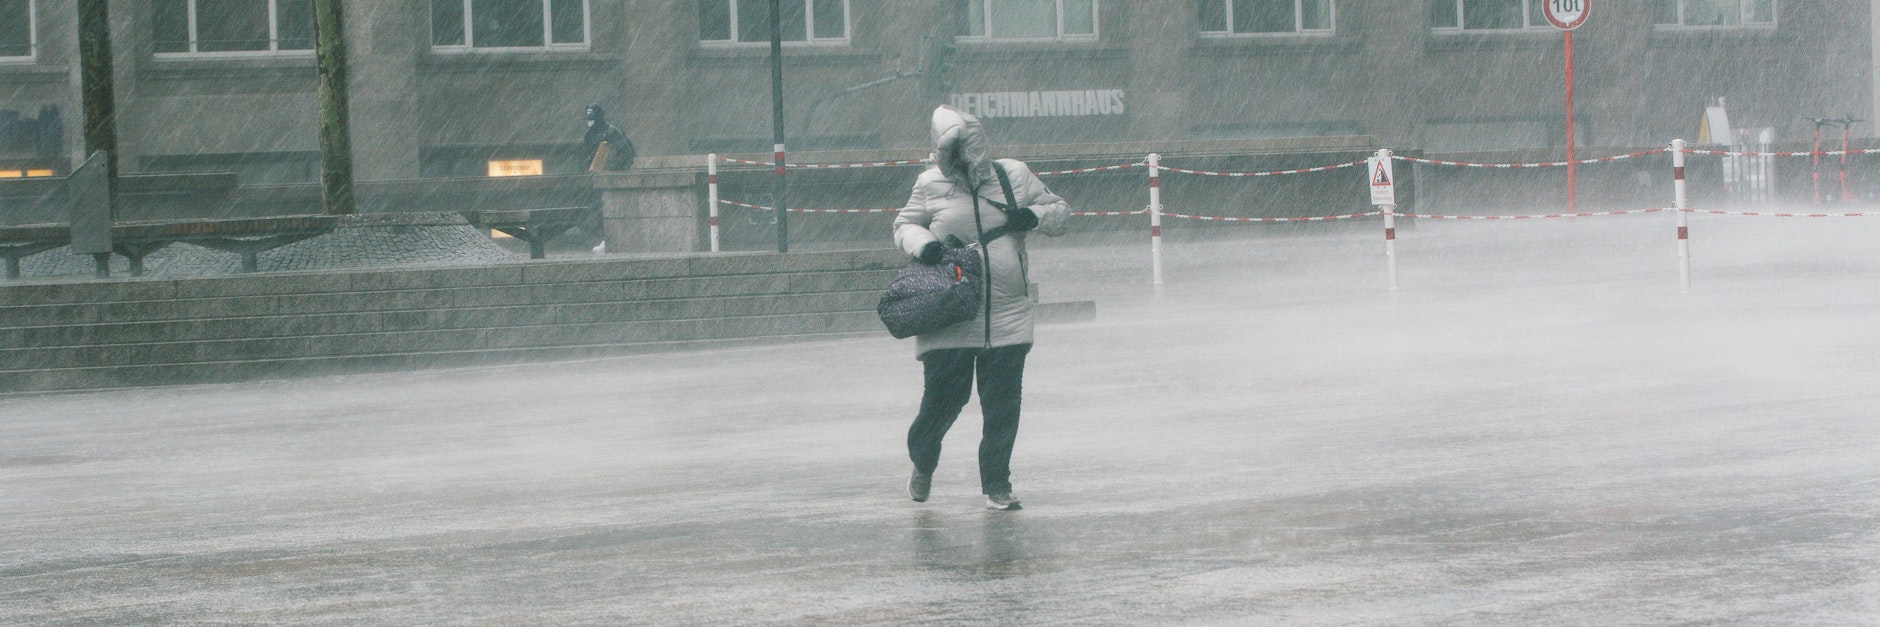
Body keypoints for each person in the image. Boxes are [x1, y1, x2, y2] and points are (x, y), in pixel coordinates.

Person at [893, 105, 1069, 511]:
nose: (962, 161)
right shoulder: (929, 183)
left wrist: (1034, 215)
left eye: (967, 150)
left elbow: (1061, 213)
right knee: (943, 403)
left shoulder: (1014, 175)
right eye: (951, 153)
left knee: (1003, 405)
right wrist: (924, 244)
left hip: (1008, 313)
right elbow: (904, 225)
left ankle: (997, 485)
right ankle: (923, 458)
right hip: (950, 312)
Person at [583, 103, 636, 172]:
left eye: (592, 119)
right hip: (596, 173)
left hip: (616, 173)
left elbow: (625, 152)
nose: (590, 122)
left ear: (599, 117)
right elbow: (588, 153)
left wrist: (612, 167)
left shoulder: (612, 132)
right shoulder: (589, 135)